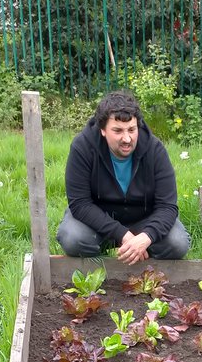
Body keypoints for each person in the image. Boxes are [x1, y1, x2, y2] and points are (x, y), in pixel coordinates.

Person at [56, 90, 191, 263]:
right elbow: (80, 203)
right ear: (103, 130)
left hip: (144, 218)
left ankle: (138, 249)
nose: (127, 138)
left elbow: (167, 206)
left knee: (177, 243)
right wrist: (123, 236)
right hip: (98, 219)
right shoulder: (83, 147)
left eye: (132, 130)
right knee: (73, 239)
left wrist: (146, 237)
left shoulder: (154, 150)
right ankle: (110, 246)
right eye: (118, 131)